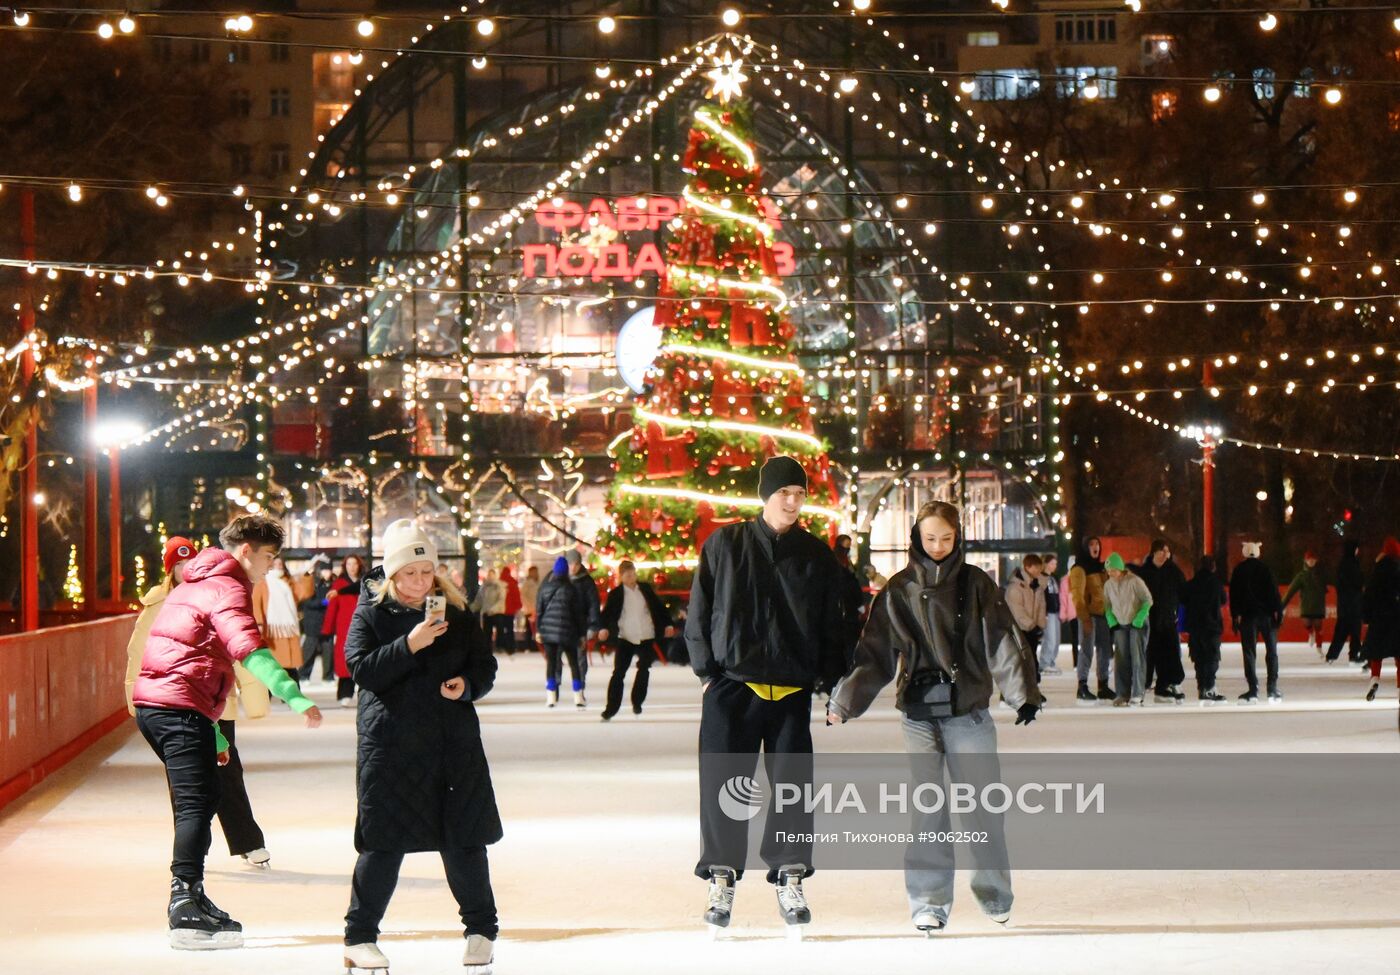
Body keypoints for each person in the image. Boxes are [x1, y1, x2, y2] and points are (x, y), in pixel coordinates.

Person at [828, 500, 1042, 934]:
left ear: (958, 537)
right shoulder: (899, 588)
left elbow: (1003, 640)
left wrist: (1023, 694)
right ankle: (928, 900)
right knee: (928, 809)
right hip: (919, 714)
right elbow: (875, 653)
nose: (939, 546)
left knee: (983, 806)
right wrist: (844, 702)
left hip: (968, 713)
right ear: (916, 539)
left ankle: (994, 893)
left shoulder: (978, 584)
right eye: (930, 539)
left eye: (946, 538)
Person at [132, 515, 322, 950]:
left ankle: (193, 894)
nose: (271, 566)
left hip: (170, 705)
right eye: (269, 556)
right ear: (246, 551)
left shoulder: (196, 582)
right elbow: (246, 648)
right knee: (197, 803)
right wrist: (294, 696)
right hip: (175, 705)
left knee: (209, 795)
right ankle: (183, 903)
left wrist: (215, 732)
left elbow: (194, 656)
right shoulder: (228, 586)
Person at [686, 456, 848, 933]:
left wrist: (828, 676)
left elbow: (831, 624)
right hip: (732, 687)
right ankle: (721, 875)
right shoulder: (726, 544)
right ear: (766, 495)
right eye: (785, 493)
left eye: (800, 493)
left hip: (790, 692)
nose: (794, 502)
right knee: (722, 787)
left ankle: (790, 873)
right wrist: (706, 673)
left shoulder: (816, 556)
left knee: (794, 788)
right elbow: (700, 610)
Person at [342, 519, 501, 974]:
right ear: (391, 576)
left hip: (452, 744)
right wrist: (409, 645)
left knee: (464, 838)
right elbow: (361, 670)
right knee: (382, 842)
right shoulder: (370, 614)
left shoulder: (457, 613)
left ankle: (480, 931)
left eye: (426, 571)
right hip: (391, 745)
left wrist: (467, 685)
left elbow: (484, 666)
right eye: (409, 573)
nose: (419, 581)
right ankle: (359, 937)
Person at [127, 536, 274, 868]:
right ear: (169, 570)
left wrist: (254, 696)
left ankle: (247, 840)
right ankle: (191, 851)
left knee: (227, 771)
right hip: (173, 701)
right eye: (177, 565)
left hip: (216, 702)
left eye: (188, 562)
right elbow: (138, 654)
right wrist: (132, 698)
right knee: (184, 782)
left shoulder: (218, 592)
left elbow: (239, 643)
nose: (184, 569)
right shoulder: (157, 605)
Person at [596, 560, 675, 720]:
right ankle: (611, 708)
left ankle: (637, 701)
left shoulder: (644, 589)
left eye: (633, 573)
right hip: (626, 636)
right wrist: (603, 628)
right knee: (619, 672)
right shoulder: (617, 594)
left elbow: (658, 608)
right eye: (628, 575)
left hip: (646, 634)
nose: (631, 577)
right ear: (621, 576)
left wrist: (667, 624)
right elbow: (607, 614)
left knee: (644, 669)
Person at [1228, 540, 1284, 704]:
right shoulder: (1265, 569)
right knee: (1272, 652)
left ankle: (1253, 688)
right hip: (1266, 616)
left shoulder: (1239, 570)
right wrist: (1278, 612)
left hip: (1247, 617)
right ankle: (1272, 688)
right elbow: (1274, 592)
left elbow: (1234, 596)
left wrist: (1235, 616)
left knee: (1249, 652)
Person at [1135, 539, 1187, 703]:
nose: (1166, 554)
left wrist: (1178, 613)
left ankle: (1165, 685)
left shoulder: (1173, 571)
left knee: (1170, 653)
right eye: (1163, 551)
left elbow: (1184, 593)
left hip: (1167, 619)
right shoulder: (1145, 572)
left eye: (1168, 551)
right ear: (1154, 553)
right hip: (1149, 620)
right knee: (1149, 653)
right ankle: (1142, 685)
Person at [536, 555, 585, 707]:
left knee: (551, 663)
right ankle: (578, 696)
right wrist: (582, 633)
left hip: (549, 632)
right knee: (574, 663)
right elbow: (578, 614)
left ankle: (550, 697)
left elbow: (539, 611)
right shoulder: (572, 589)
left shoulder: (545, 588)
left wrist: (539, 630)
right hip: (568, 632)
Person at [1104, 553, 1152, 706]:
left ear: (1120, 568)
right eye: (1108, 571)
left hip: (1136, 625)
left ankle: (1138, 693)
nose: (1110, 573)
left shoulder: (1134, 581)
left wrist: (1139, 618)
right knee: (1121, 659)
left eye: (1113, 570)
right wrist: (1111, 620)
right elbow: (1107, 605)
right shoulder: (1108, 585)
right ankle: (1122, 693)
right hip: (1120, 625)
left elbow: (1147, 600)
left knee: (1137, 658)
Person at [1069, 537, 1113, 704]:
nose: (1095, 547)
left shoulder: (1102, 568)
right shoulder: (1079, 569)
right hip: (1089, 615)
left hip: (1103, 615)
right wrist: (1084, 617)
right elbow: (1078, 596)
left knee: (1105, 650)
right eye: (1091, 545)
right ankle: (1082, 686)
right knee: (1086, 650)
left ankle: (1103, 685)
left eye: (1097, 544)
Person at [1181, 555, 1228, 703]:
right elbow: (1223, 600)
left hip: (1195, 627)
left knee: (1199, 658)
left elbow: (1182, 599)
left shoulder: (1191, 584)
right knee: (1211, 657)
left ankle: (1202, 687)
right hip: (1212, 627)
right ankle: (1209, 687)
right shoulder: (1216, 583)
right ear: (1213, 567)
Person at [323, 553, 367, 707]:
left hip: (364, 626)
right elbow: (332, 608)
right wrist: (327, 629)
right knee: (345, 662)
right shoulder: (339, 584)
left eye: (355, 564)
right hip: (345, 627)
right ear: (345, 566)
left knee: (364, 660)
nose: (352, 567)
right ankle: (345, 693)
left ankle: (364, 694)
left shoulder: (366, 582)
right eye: (349, 564)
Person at [251, 557, 303, 684]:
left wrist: (305, 574)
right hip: (272, 631)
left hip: (288, 630)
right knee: (272, 665)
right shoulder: (263, 582)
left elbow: (302, 594)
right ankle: (269, 693)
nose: (279, 565)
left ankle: (293, 695)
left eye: (281, 563)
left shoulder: (288, 581)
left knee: (289, 667)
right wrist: (259, 623)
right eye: (276, 563)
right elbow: (256, 603)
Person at [1361, 538, 1400, 703]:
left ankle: (1375, 679)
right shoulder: (1398, 569)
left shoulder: (1376, 571)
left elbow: (1368, 595)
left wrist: (1367, 616)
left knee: (1376, 653)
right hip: (1397, 617)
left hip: (1379, 617)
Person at [565, 549, 603, 701]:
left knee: (580, 657)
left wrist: (593, 625)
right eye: (571, 564)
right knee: (556, 658)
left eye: (576, 564)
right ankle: (554, 689)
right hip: (563, 624)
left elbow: (594, 604)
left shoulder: (587, 582)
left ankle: (579, 687)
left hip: (581, 625)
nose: (573, 567)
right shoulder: (560, 579)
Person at [1005, 554, 1047, 673]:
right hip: (1020, 630)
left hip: (1032, 630)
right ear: (1028, 567)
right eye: (1036, 567)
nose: (1039, 570)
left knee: (1031, 660)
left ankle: (1032, 688)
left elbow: (1041, 607)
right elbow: (1017, 610)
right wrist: (1031, 625)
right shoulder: (1016, 587)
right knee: (1021, 661)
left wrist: (1039, 625)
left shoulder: (1037, 586)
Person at [297, 558, 336, 682]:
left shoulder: (333, 583)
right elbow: (307, 601)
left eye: (329, 569)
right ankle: (303, 675)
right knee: (309, 650)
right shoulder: (311, 582)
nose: (327, 572)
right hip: (313, 622)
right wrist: (324, 602)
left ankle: (328, 676)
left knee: (328, 651)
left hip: (327, 622)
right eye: (325, 569)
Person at [1283, 551, 1328, 657]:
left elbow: (1327, 585)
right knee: (1307, 624)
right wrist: (1281, 605)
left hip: (1318, 606)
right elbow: (1291, 591)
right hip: (1306, 606)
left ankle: (1319, 647)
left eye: (1313, 560)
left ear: (1316, 561)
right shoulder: (1301, 576)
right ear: (1305, 561)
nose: (1311, 562)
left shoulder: (1321, 574)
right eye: (1309, 560)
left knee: (1318, 627)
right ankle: (1310, 633)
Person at [1327, 540, 1365, 663]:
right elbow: (1358, 582)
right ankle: (1353, 654)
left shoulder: (1342, 564)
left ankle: (1332, 655)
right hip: (1353, 603)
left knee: (1341, 631)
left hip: (1344, 604)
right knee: (1354, 631)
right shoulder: (1353, 564)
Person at [1039, 554, 1063, 675]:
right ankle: (1044, 663)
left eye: (1055, 564)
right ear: (1046, 564)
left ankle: (1051, 661)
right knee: (1050, 638)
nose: (1054, 566)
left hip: (1055, 611)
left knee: (1056, 638)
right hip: (1047, 612)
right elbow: (1041, 596)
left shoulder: (1054, 578)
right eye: (1052, 563)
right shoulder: (1041, 578)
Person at [469, 569, 505, 642]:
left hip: (497, 612)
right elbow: (479, 601)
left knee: (500, 631)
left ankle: (500, 647)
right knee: (487, 632)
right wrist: (470, 608)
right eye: (489, 575)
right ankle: (488, 647)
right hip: (486, 612)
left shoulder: (499, 586)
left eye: (492, 575)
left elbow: (501, 600)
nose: (490, 576)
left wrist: (493, 609)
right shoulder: (484, 587)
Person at [499, 565, 522, 653]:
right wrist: (517, 606)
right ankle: (510, 647)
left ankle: (501, 645)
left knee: (501, 629)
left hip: (500, 610)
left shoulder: (499, 582)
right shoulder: (513, 582)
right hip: (510, 610)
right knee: (510, 629)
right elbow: (516, 596)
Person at [519, 564, 540, 647]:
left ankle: (534, 645)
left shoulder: (537, 583)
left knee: (536, 628)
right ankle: (528, 645)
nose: (535, 573)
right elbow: (523, 596)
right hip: (529, 609)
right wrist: (528, 606)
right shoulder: (527, 583)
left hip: (536, 609)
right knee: (529, 628)